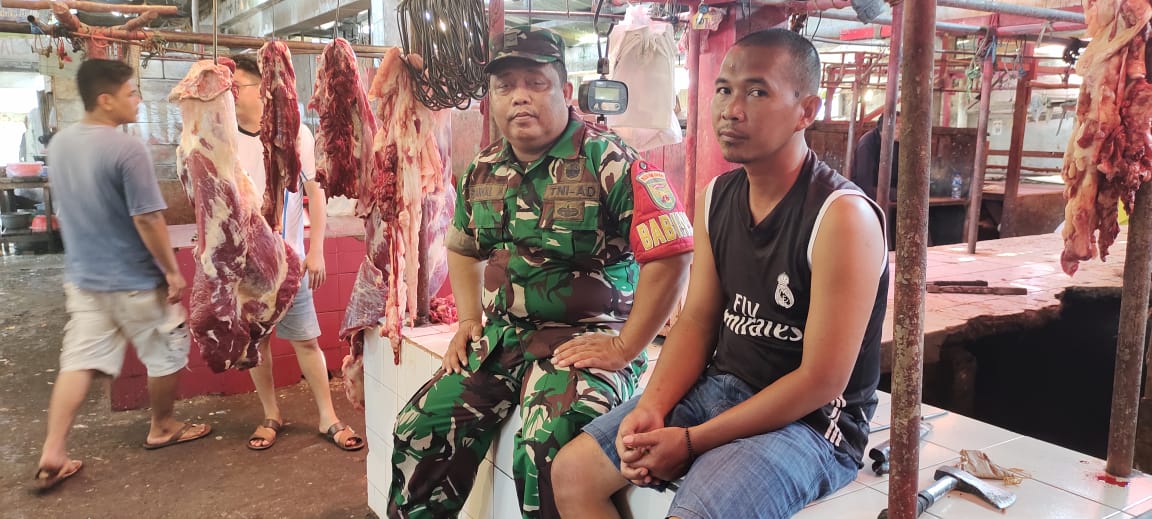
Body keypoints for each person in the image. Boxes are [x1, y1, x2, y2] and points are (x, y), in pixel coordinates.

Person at [553, 28, 890, 519]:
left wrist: (691, 441)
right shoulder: (716, 197)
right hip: (723, 386)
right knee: (572, 474)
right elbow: (697, 321)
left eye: (757, 92)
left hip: (810, 425)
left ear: (806, 111)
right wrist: (652, 407)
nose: (731, 109)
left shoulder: (841, 217)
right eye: (724, 89)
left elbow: (820, 380)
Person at [389, 26, 693, 519]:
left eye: (536, 83)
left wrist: (626, 346)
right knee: (419, 426)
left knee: (546, 443)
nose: (519, 97)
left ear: (565, 90)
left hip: (586, 340)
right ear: (490, 98)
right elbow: (463, 247)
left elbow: (673, 253)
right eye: (505, 86)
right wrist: (468, 320)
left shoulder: (609, 160)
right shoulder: (483, 168)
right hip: (504, 337)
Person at [35, 58, 212, 491]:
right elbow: (147, 219)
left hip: (84, 278)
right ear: (105, 100)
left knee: (79, 360)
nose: (138, 99)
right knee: (168, 349)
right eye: (131, 93)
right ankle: (163, 426)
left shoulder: (60, 145)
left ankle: (53, 450)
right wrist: (171, 272)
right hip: (133, 278)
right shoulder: (126, 149)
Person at [229, 54, 363, 452]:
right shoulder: (224, 136)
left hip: (289, 262)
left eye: (237, 87)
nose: (230, 95)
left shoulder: (295, 133)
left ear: (262, 89)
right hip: (246, 267)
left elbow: (315, 194)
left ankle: (328, 417)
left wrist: (316, 249)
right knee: (258, 344)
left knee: (306, 340)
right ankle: (271, 414)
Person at [851, 112, 900, 202]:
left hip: (890, 190)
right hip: (868, 194)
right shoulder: (867, 142)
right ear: (889, 127)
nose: (903, 131)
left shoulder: (897, 142)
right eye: (899, 127)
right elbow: (864, 183)